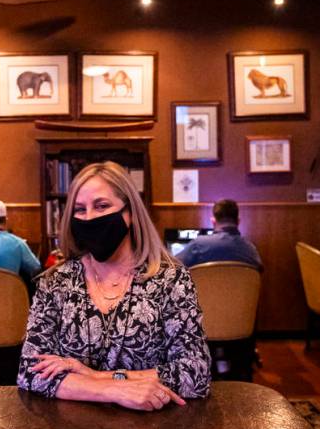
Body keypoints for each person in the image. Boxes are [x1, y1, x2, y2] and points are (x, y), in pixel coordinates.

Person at [17, 162, 211, 411]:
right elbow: (29, 372)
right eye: (79, 210)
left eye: (101, 206)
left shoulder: (171, 280)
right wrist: (113, 390)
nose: (90, 218)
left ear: (129, 213)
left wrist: (92, 375)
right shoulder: (55, 282)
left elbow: (196, 372)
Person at [176, 199, 262, 269]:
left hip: (205, 290)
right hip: (242, 291)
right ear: (238, 221)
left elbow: (174, 265)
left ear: (213, 222)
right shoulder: (250, 249)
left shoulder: (198, 245)